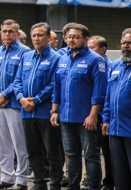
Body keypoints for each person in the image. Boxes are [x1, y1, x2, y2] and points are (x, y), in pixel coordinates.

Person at [50, 22, 107, 190]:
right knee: (72, 155)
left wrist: (93, 115)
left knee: (91, 155)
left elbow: (99, 91)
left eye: (76, 37)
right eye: (68, 37)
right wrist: (54, 110)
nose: (71, 40)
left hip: (86, 118)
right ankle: (73, 186)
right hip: (66, 117)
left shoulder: (95, 60)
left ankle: (93, 187)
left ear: (86, 39)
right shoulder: (62, 59)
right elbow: (57, 87)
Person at [14, 22, 63, 190]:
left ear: (49, 37)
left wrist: (35, 101)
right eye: (34, 35)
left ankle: (55, 184)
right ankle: (39, 182)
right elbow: (17, 81)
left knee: (51, 151)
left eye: (40, 35)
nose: (36, 38)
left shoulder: (56, 58)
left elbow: (54, 85)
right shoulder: (26, 56)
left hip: (45, 112)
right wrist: (21, 99)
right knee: (33, 150)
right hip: (27, 113)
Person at [0, 20, 30, 190]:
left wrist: (5, 94)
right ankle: (7, 177)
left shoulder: (25, 52)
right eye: (4, 31)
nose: (7, 34)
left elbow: (20, 79)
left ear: (18, 34)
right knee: (3, 143)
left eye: (11, 31)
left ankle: (21, 179)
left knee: (19, 143)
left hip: (14, 104)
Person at [102, 28, 131, 190]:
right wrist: (106, 119)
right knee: (119, 173)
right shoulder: (115, 65)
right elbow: (108, 96)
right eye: (123, 43)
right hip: (115, 129)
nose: (126, 46)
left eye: (129, 43)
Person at [87, 35, 113, 190]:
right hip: (91, 115)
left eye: (92, 47)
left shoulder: (110, 66)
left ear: (103, 49)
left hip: (105, 115)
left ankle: (109, 182)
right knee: (91, 152)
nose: (89, 51)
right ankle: (92, 182)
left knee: (108, 153)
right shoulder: (91, 65)